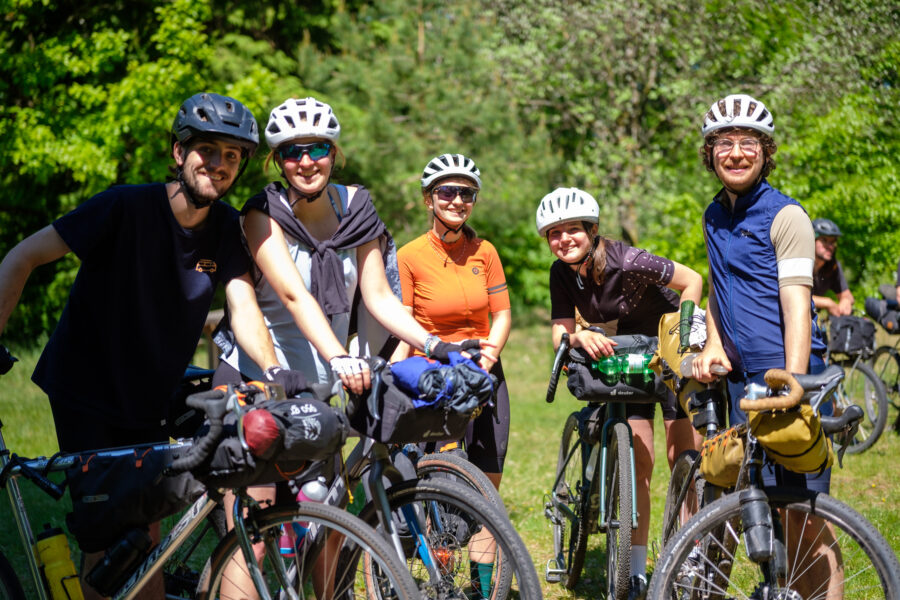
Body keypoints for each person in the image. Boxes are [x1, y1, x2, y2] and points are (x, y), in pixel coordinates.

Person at [0, 93, 297, 600]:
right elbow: (22, 256)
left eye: (232, 155)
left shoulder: (225, 229)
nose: (219, 164)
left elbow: (242, 305)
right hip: (87, 390)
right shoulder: (124, 206)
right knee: (107, 541)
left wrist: (272, 372)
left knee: (146, 539)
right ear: (179, 152)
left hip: (151, 395)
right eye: (207, 150)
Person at [211, 98, 485, 597]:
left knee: (329, 525)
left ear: (333, 153)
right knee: (252, 536)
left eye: (317, 149)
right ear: (277, 161)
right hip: (260, 377)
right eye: (292, 152)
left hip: (320, 385)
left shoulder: (356, 207)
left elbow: (378, 296)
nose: (306, 161)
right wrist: (340, 355)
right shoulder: (262, 214)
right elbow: (293, 295)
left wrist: (434, 344)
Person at [691, 93, 839, 597]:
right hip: (740, 385)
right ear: (710, 153)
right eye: (724, 143)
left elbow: (797, 305)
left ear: (766, 151)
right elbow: (718, 287)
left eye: (748, 142)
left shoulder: (786, 216)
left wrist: (790, 382)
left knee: (803, 517)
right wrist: (713, 344)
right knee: (743, 502)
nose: (736, 153)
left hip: (787, 379)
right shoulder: (714, 214)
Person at [536, 186, 703, 600]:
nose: (563, 240)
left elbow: (692, 281)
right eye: (554, 233)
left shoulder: (628, 261)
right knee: (639, 465)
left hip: (668, 352)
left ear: (592, 230)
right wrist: (578, 337)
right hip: (628, 359)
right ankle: (636, 572)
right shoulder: (561, 273)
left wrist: (682, 338)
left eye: (572, 230)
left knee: (682, 461)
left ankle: (690, 560)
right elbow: (560, 330)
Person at [393, 153, 511, 600]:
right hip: (434, 372)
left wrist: (489, 357)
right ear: (429, 199)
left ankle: (482, 590)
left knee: (486, 485)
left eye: (467, 193)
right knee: (436, 484)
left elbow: (502, 313)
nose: (458, 200)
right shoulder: (410, 255)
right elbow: (403, 321)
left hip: (483, 369)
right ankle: (442, 583)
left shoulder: (486, 252)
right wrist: (394, 372)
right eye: (447, 191)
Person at [811, 217, 854, 317]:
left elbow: (848, 295)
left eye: (833, 242)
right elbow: (795, 295)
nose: (830, 246)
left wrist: (846, 300)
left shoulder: (832, 266)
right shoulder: (799, 263)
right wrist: (827, 303)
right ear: (812, 240)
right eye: (824, 240)